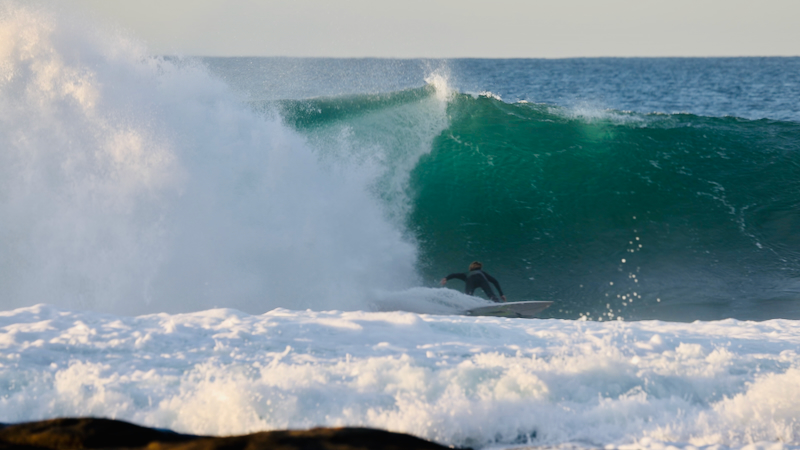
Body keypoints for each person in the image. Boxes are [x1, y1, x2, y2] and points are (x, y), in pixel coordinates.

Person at [440, 261, 506, 302]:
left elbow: (454, 275)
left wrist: (446, 278)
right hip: (481, 278)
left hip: (470, 279)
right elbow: (495, 281)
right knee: (491, 296)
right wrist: (501, 294)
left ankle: (469, 308)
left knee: (468, 297)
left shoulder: (466, 274)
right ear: (480, 268)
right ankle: (497, 304)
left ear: (470, 268)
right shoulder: (482, 272)